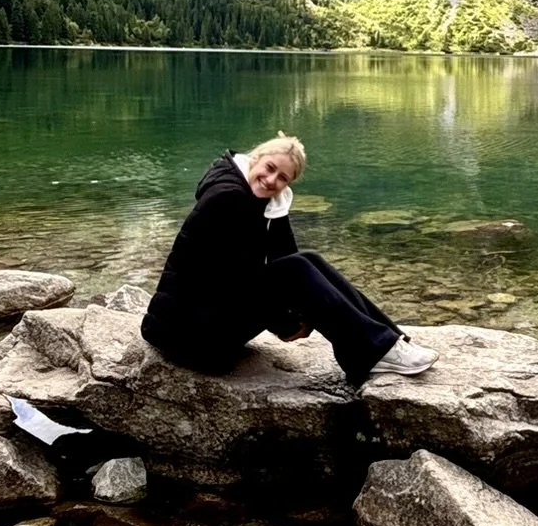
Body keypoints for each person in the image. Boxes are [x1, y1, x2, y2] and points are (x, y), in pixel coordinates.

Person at [141, 133, 436, 382]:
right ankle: (374, 350)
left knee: (309, 260)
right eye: (269, 168)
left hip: (210, 317)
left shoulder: (264, 202)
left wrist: (305, 312)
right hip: (187, 335)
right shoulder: (226, 198)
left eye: (282, 178)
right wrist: (287, 324)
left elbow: (287, 256)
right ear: (255, 159)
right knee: (297, 269)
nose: (271, 180)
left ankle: (387, 342)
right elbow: (232, 280)